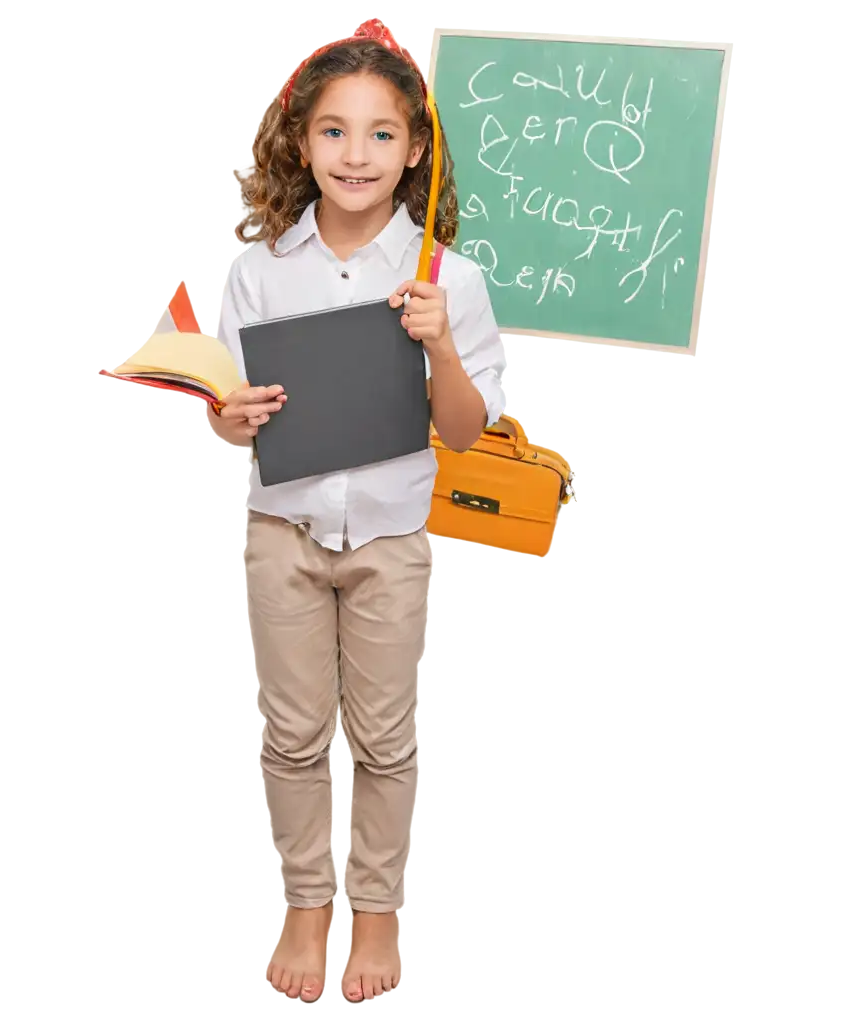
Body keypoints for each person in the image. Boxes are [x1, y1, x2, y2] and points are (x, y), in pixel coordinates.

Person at [207, 17, 508, 1004]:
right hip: (282, 532)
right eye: (334, 132)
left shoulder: (446, 279)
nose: (356, 154)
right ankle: (306, 902)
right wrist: (230, 410)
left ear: (414, 150)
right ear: (300, 142)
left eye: (381, 134)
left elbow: (462, 432)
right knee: (292, 735)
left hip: (387, 537)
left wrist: (440, 349)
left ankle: (373, 912)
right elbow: (228, 414)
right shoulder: (256, 272)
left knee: (384, 740)